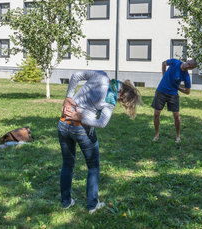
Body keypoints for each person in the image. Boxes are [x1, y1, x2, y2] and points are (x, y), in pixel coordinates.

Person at [58, 70, 142, 213]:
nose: (119, 101)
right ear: (122, 95)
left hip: (63, 123)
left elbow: (75, 75)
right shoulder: (110, 99)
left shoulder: (101, 75)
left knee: (67, 163)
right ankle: (92, 205)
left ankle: (66, 202)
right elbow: (102, 122)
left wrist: (68, 97)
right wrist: (81, 118)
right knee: (93, 166)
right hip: (81, 129)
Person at [152, 58, 197, 143]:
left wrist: (178, 88)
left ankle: (178, 136)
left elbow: (187, 91)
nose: (187, 66)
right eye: (188, 63)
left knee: (176, 115)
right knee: (156, 113)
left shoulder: (186, 76)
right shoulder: (175, 62)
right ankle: (156, 134)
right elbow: (163, 63)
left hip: (173, 94)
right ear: (187, 61)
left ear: (191, 69)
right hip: (161, 91)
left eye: (190, 66)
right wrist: (163, 74)